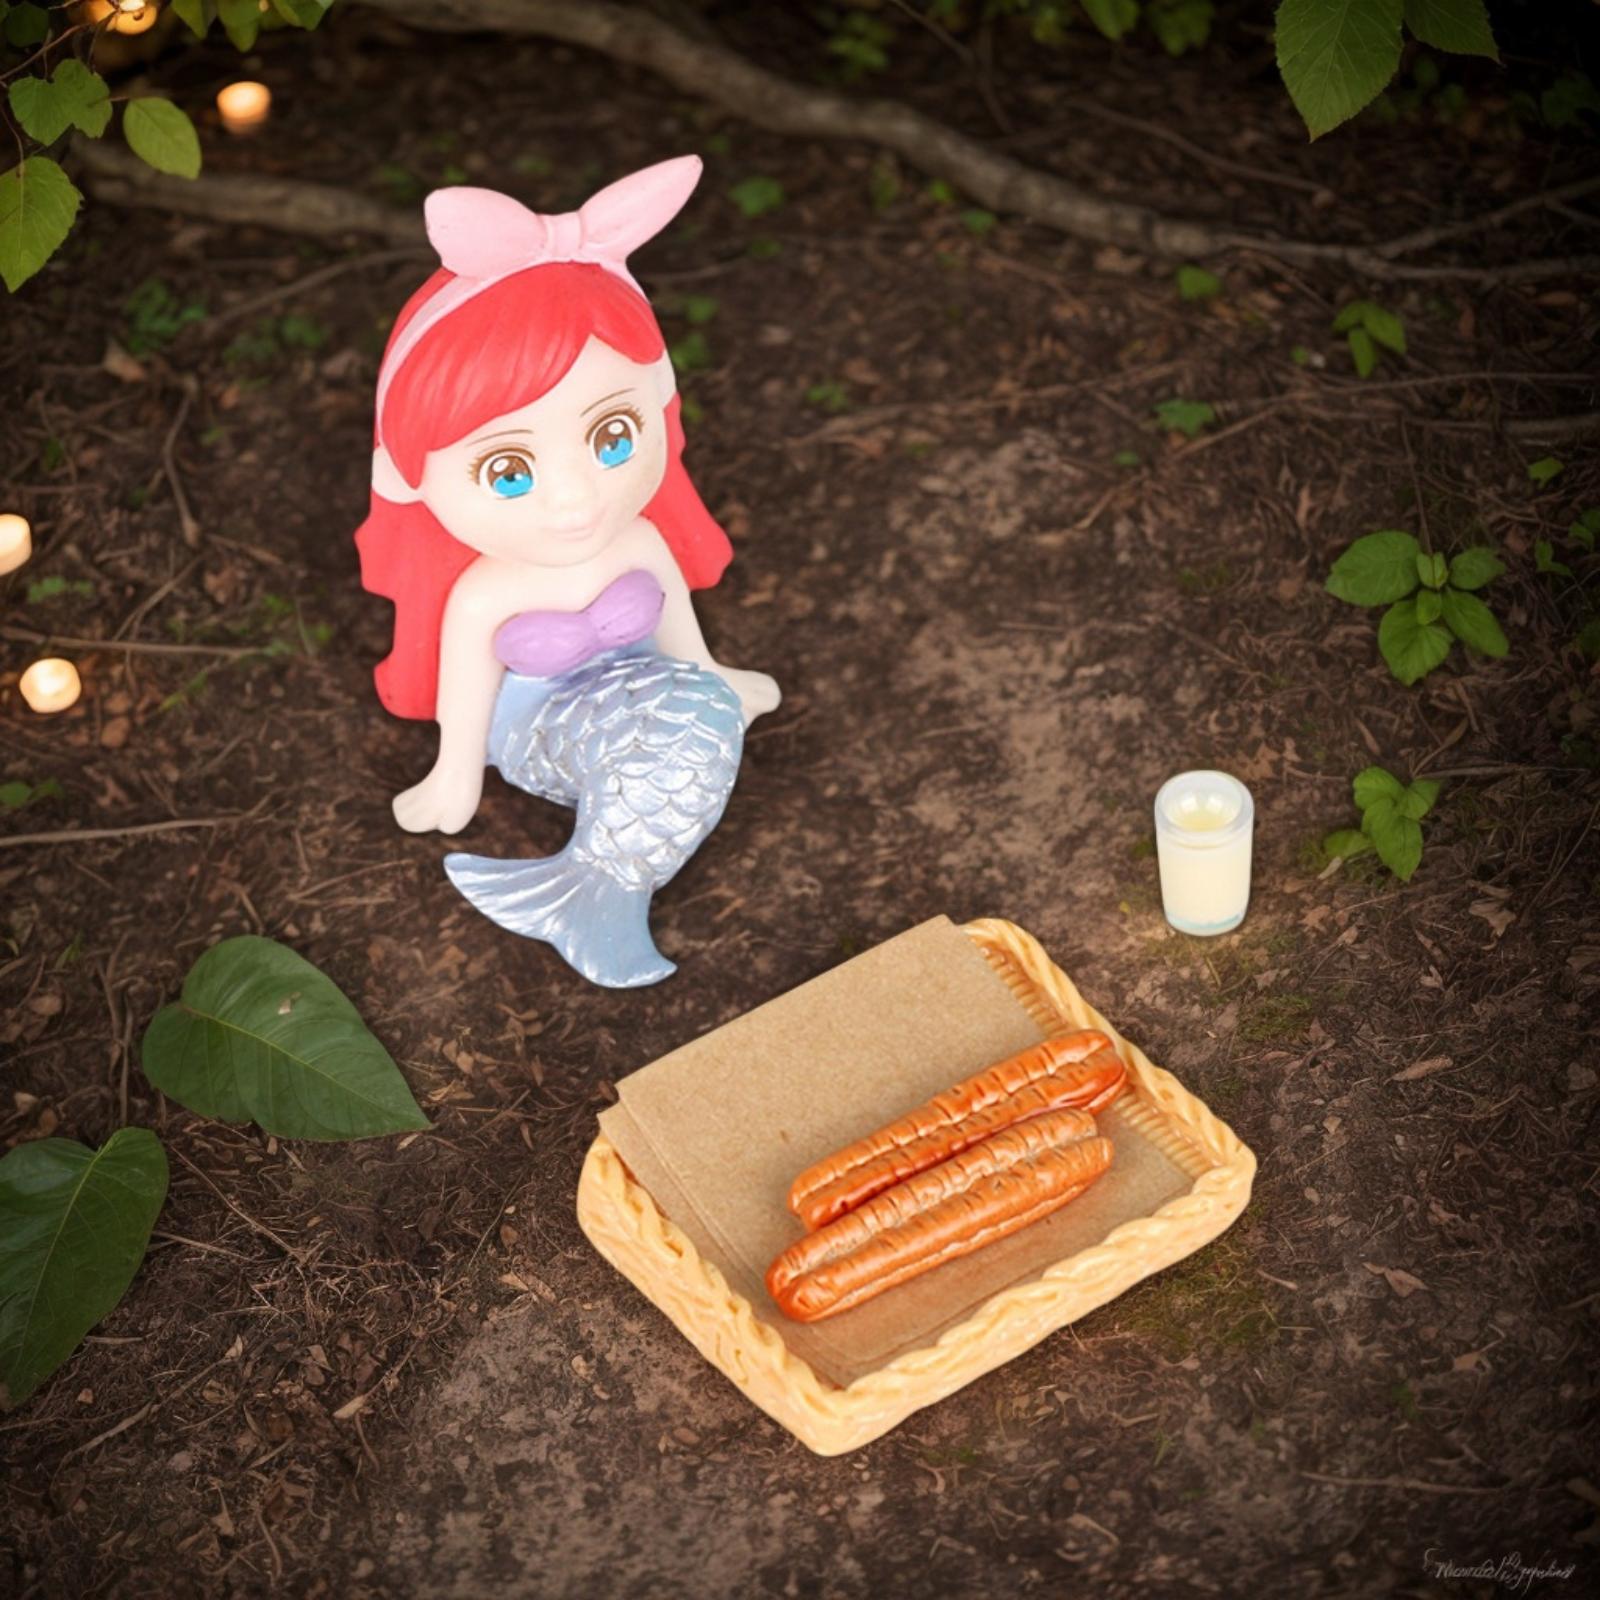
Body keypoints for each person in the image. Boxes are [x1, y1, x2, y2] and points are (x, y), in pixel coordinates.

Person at [356, 157, 780, 987]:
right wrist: (454, 777)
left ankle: (599, 883)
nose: (577, 498)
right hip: (540, 731)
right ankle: (602, 886)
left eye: (613, 437)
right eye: (509, 470)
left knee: (694, 709)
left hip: (646, 692)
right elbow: (466, 691)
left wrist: (715, 677)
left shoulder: (637, 541)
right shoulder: (487, 591)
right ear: (408, 477)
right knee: (683, 721)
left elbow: (680, 630)